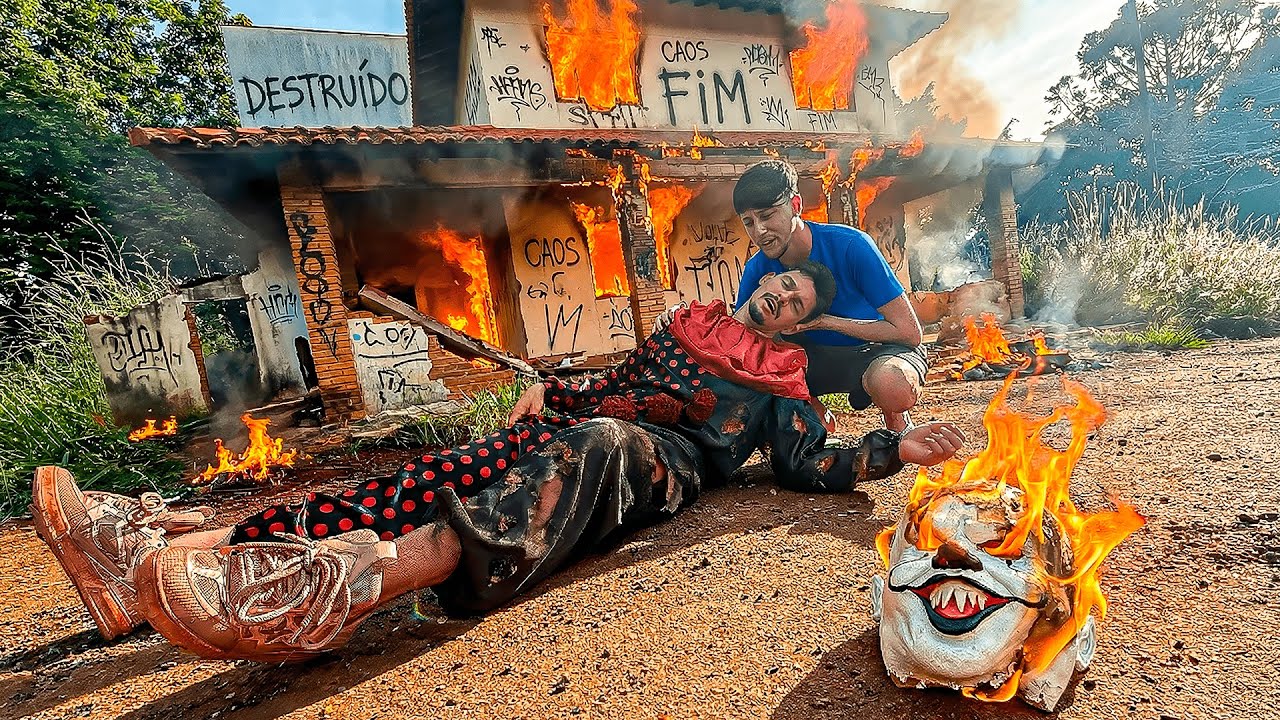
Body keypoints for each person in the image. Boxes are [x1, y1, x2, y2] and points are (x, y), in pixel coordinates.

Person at [32, 262, 963, 662]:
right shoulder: (688, 321)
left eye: (795, 300)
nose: (779, 299)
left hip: (662, 457)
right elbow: (617, 379)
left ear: (800, 322)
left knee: (600, 444)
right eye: (777, 287)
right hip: (588, 417)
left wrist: (890, 450)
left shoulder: (784, 379)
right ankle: (164, 549)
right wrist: (547, 391)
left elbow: (806, 463)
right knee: (438, 472)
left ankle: (356, 581)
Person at [731, 160, 928, 432]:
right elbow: (740, 337)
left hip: (875, 349)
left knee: (893, 386)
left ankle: (895, 416)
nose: (759, 231)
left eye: (767, 216)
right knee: (755, 377)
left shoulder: (851, 245)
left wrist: (825, 322)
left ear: (796, 205)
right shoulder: (757, 269)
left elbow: (909, 333)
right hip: (810, 360)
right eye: (749, 222)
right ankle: (811, 412)